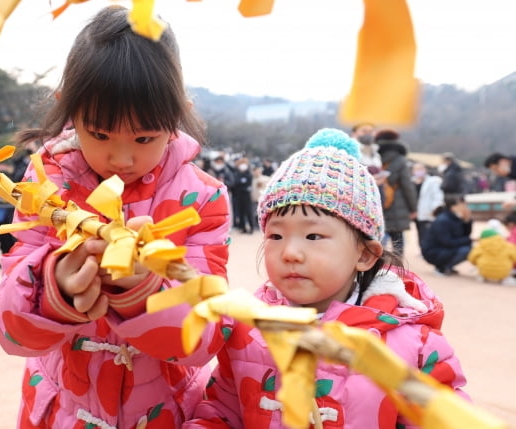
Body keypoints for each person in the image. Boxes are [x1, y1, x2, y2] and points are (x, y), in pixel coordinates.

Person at [0, 6, 231, 428]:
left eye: (144, 137)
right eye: (100, 134)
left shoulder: (203, 198)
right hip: (64, 411)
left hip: (164, 413)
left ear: (176, 116)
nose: (121, 158)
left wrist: (148, 291)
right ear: (69, 109)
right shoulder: (45, 185)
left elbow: (205, 340)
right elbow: (11, 332)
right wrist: (55, 286)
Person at [185, 128, 468, 428]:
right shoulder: (246, 332)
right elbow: (220, 412)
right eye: (276, 235)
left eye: (313, 235)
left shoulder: (413, 344)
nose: (290, 252)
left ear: (364, 255)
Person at [376, 129, 417, 257]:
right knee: (398, 238)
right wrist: (413, 208)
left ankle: (378, 263)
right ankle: (398, 267)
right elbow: (407, 186)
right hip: (398, 205)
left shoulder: (374, 157)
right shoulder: (400, 160)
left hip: (379, 202)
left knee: (380, 236)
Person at [420, 195, 473, 276]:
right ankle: (442, 268)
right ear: (453, 207)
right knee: (467, 249)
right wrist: (470, 240)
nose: (465, 207)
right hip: (433, 252)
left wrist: (468, 220)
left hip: (442, 249)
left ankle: (447, 266)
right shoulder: (443, 220)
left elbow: (464, 235)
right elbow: (447, 242)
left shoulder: (454, 218)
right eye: (462, 204)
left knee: (468, 247)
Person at [412, 162, 443, 247]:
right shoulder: (411, 182)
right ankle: (422, 248)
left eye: (420, 169)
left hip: (428, 212)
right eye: (416, 169)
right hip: (416, 212)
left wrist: (435, 209)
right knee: (419, 231)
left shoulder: (433, 182)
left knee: (426, 232)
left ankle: (427, 248)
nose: (419, 171)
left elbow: (437, 196)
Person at [232, 157, 254, 234]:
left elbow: (248, 182)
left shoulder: (249, 173)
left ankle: (251, 227)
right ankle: (242, 227)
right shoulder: (236, 173)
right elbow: (236, 182)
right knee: (240, 211)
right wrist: (242, 181)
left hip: (247, 194)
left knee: (248, 211)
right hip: (238, 195)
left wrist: (242, 182)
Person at [250, 165, 270, 230]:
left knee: (262, 214)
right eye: (255, 170)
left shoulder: (266, 179)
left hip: (263, 200)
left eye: (257, 170)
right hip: (254, 199)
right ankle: (255, 226)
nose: (256, 171)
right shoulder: (251, 179)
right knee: (254, 214)